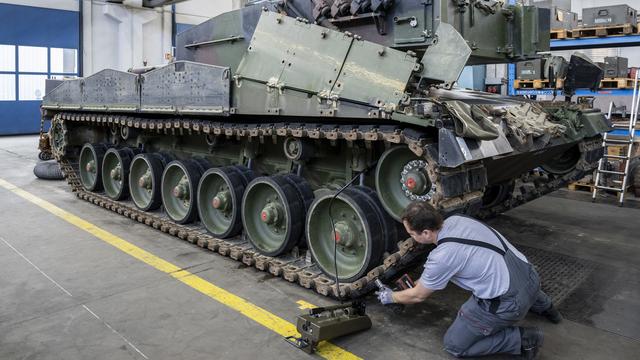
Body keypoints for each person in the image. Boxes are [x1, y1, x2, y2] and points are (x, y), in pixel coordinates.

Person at [376, 201, 562, 359]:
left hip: (509, 302)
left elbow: (418, 296)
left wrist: (391, 297)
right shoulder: (457, 220)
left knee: (455, 345)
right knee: (515, 276)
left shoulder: (442, 256)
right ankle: (549, 310)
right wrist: (416, 284)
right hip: (531, 277)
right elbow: (438, 273)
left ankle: (523, 339)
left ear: (425, 233)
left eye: (411, 234)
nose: (411, 238)